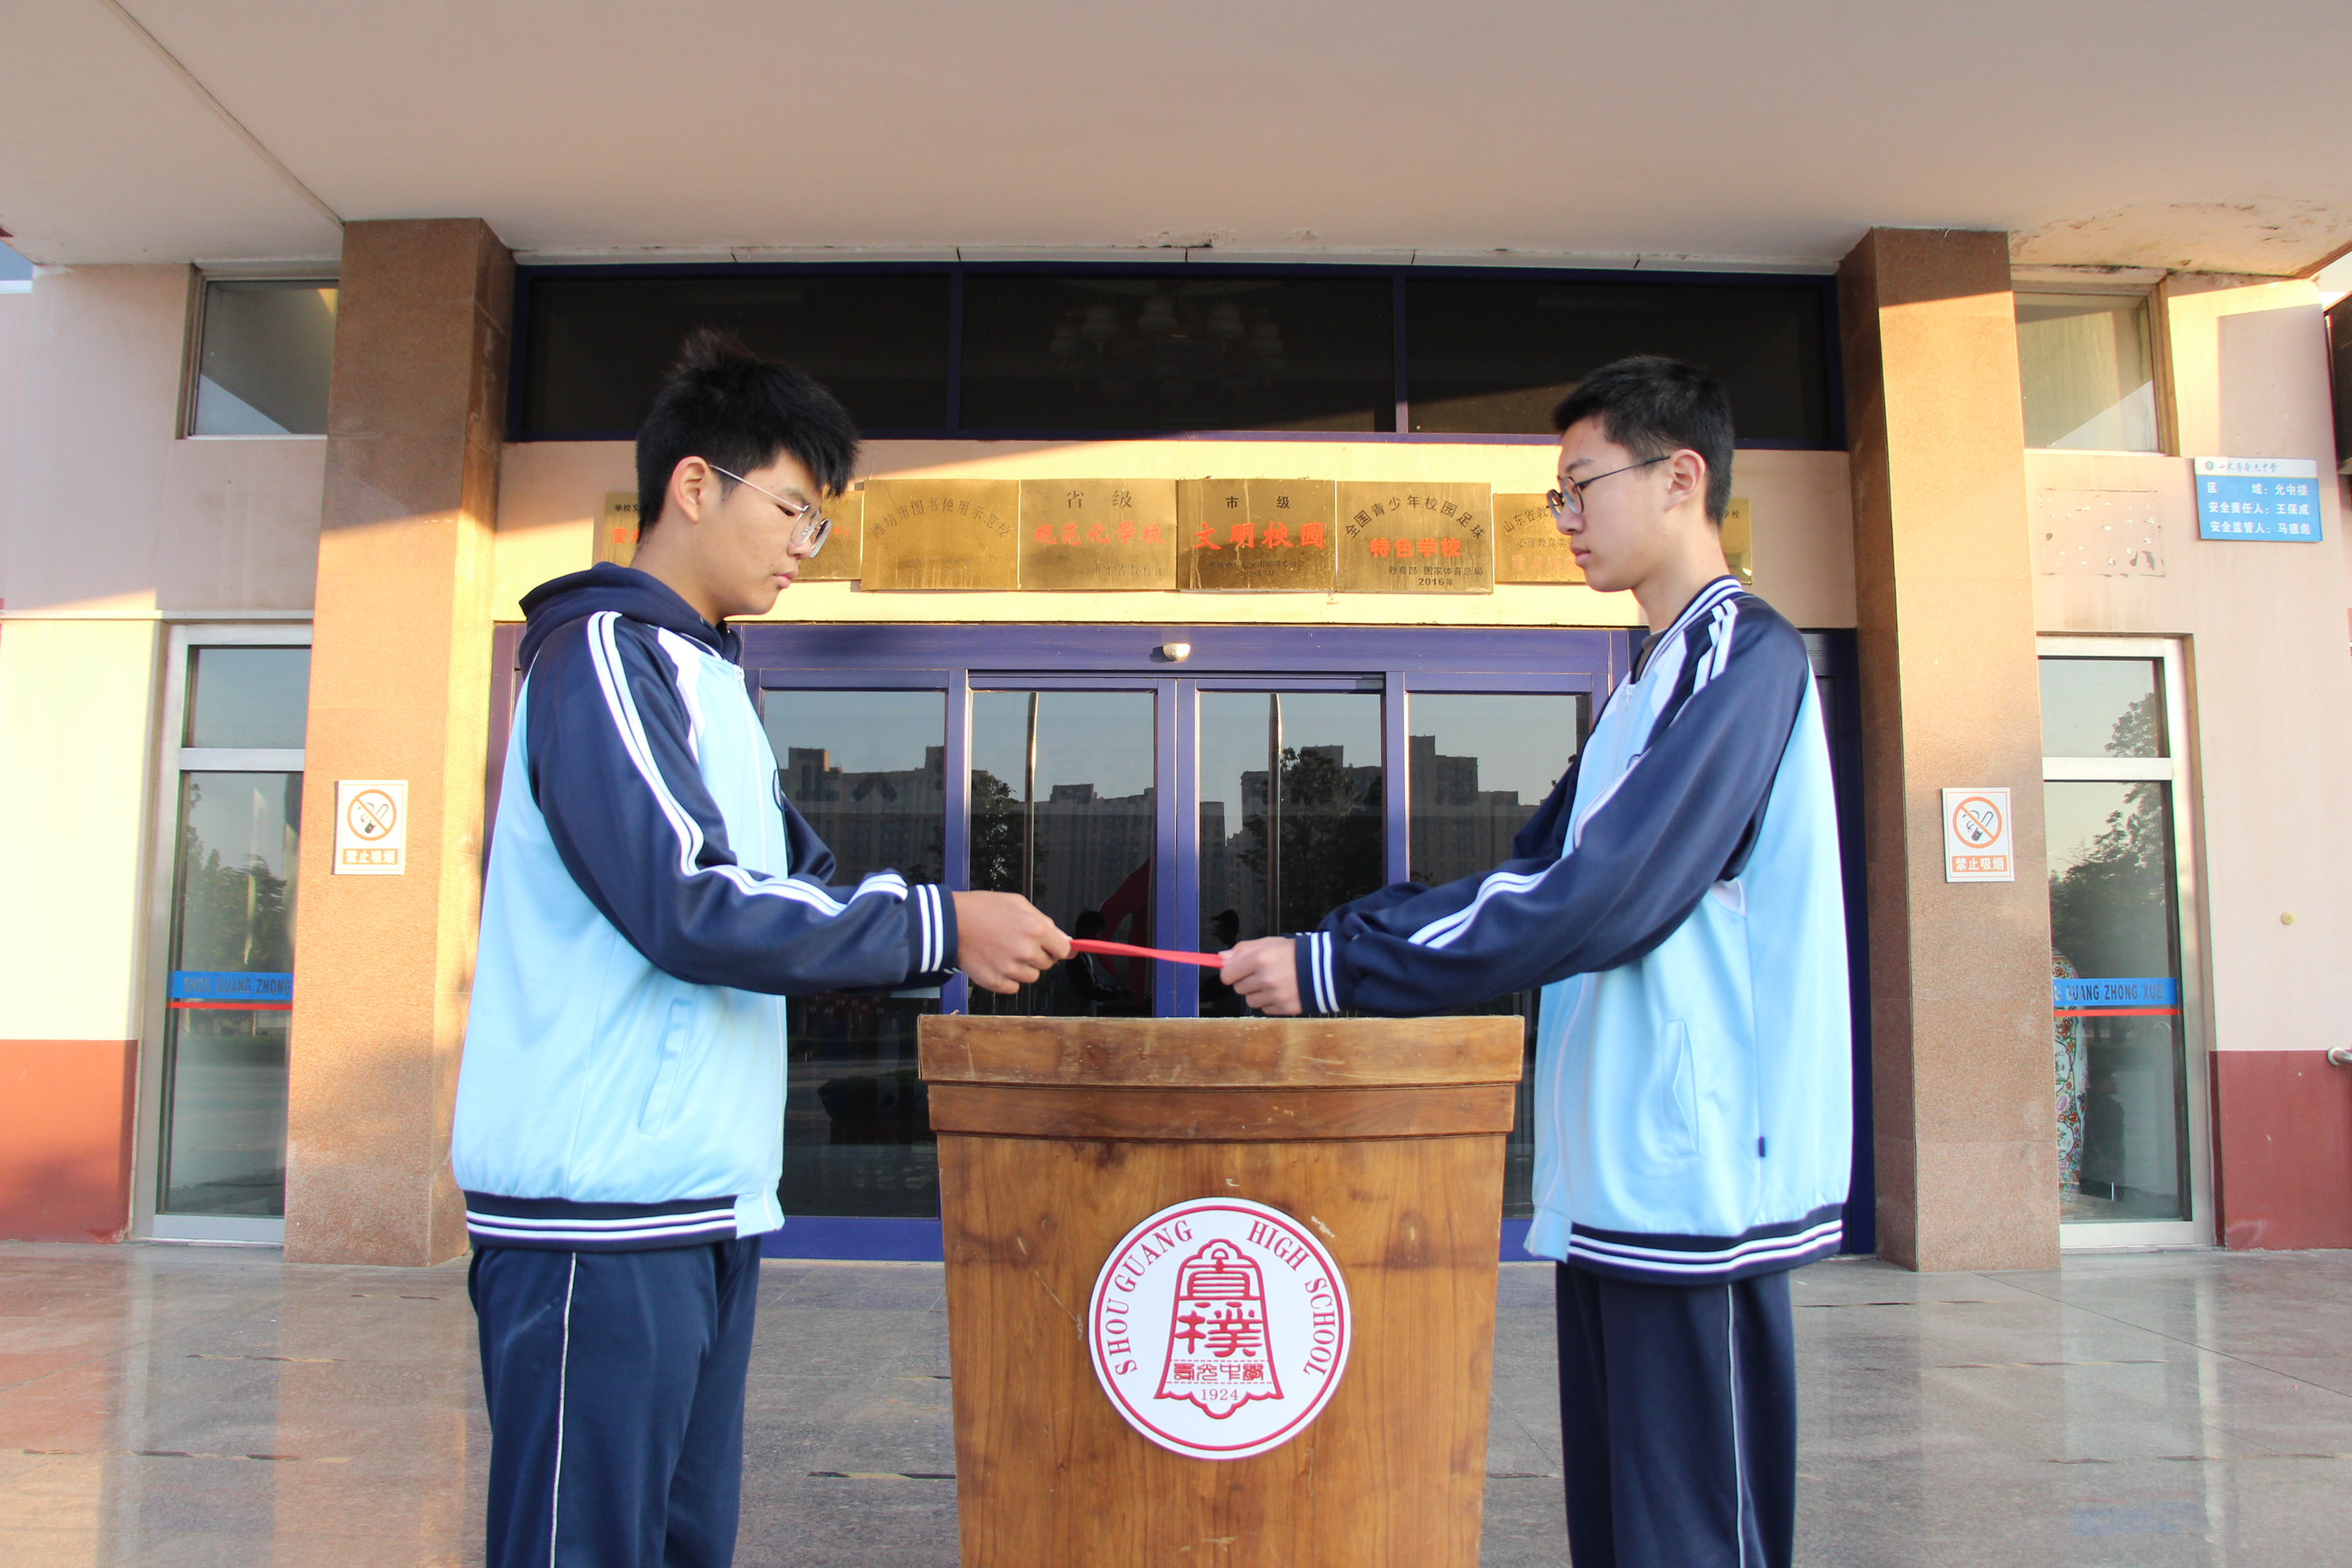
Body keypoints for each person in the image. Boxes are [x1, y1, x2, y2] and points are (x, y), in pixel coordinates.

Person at [1220, 355, 1850, 1568]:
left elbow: (1600, 898)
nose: (1565, 518)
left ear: (1680, 477)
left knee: (1691, 1536)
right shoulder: (1645, 682)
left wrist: (1339, 976)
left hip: (1697, 1179)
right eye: (1557, 495)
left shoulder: (1743, 656)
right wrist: (1332, 947)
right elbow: (1524, 872)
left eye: (1581, 485)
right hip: (1621, 1172)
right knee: (1620, 1528)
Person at [450, 329, 1068, 1568]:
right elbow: (687, 901)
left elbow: (801, 889)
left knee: (684, 1540)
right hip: (597, 1209)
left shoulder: (714, 681)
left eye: (816, 523)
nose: (804, 546)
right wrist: (941, 922)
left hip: (701, 1197)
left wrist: (932, 935)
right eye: (791, 510)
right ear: (694, 485)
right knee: (585, 1544)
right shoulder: (604, 657)